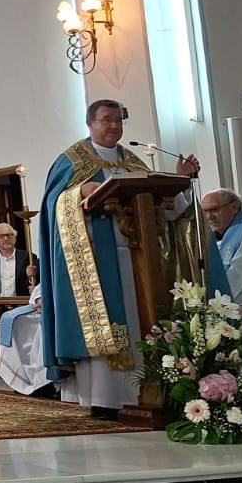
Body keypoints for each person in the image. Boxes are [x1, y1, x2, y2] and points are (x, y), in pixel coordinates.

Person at [38, 99, 197, 412]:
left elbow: (166, 211)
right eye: (107, 120)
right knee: (108, 328)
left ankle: (146, 392)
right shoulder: (71, 161)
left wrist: (181, 181)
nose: (114, 126)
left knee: (141, 324)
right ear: (90, 123)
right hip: (96, 263)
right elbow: (53, 208)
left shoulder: (135, 163)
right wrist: (77, 193)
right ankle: (104, 398)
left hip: (138, 259)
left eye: (118, 121)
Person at [0, 222, 38, 298]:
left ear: (15, 237)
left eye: (9, 235)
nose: (6, 238)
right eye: (1, 236)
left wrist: (34, 289)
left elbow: (35, 281)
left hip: (20, 303)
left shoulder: (28, 257)